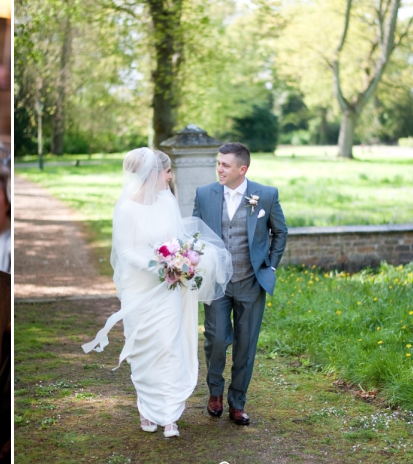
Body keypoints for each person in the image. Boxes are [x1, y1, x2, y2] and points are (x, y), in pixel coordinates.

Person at [83, 148, 232, 437]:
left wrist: (182, 260)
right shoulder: (127, 208)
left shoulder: (167, 201)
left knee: (169, 345)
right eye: (167, 171)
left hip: (169, 287)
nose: (171, 176)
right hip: (140, 288)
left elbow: (175, 238)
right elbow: (125, 251)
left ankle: (169, 414)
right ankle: (146, 408)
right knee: (143, 349)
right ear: (153, 173)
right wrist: (158, 267)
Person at [192, 142, 288, 426]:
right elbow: (196, 233)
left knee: (246, 345)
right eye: (218, 163)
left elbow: (280, 232)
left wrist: (270, 266)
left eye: (225, 165)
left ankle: (237, 402)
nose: (219, 169)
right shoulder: (204, 194)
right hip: (216, 282)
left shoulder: (266, 195)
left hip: (251, 282)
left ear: (242, 169)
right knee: (217, 339)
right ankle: (215, 393)